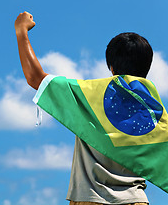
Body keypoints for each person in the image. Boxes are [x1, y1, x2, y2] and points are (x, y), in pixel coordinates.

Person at [14, 11, 152, 205]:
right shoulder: (153, 112)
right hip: (136, 200)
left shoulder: (91, 96)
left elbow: (35, 77)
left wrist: (21, 30)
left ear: (111, 68)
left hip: (92, 199)